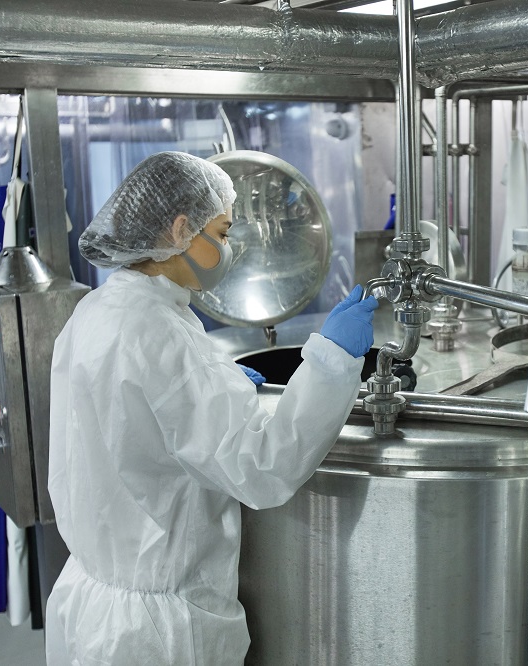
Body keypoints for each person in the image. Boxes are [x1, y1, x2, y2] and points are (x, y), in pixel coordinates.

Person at [44, 151, 378, 665]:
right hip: (160, 634)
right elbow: (264, 466)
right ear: (181, 229)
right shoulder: (159, 332)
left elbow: (122, 423)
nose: (227, 247)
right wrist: (333, 362)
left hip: (92, 602)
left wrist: (213, 386)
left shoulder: (99, 310)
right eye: (221, 233)